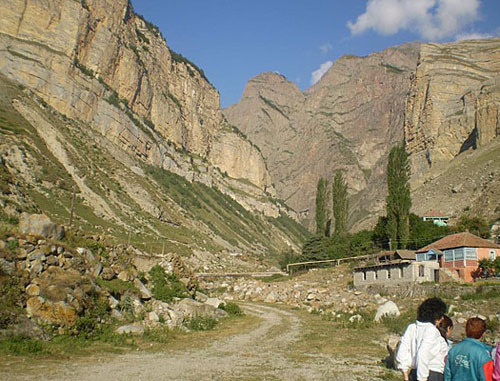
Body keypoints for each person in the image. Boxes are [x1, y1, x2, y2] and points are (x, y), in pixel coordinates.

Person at [396, 297, 447, 381]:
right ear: (436, 317)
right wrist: (422, 378)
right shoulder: (431, 330)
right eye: (441, 316)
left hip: (413, 373)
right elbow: (423, 354)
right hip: (431, 373)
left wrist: (405, 374)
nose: (442, 319)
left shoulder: (412, 327)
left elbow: (402, 351)